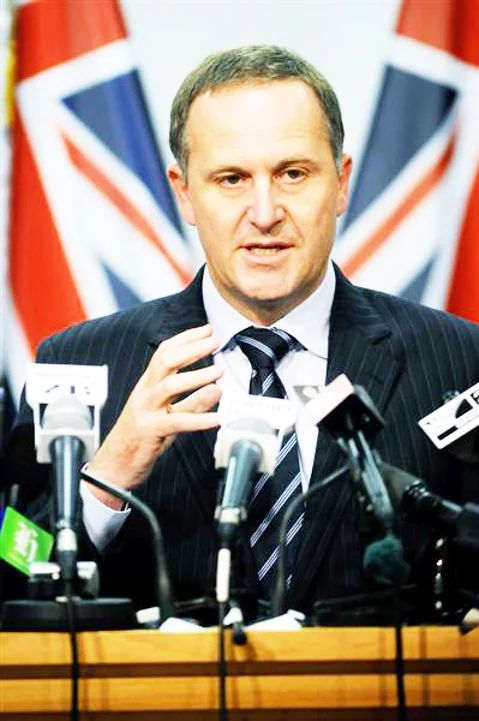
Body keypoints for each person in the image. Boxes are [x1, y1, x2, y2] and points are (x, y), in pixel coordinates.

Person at [2, 45, 479, 624]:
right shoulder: (81, 364)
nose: (265, 211)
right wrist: (109, 474)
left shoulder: (458, 360)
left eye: (293, 173)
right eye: (231, 179)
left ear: (341, 183)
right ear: (184, 194)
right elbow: (11, 576)